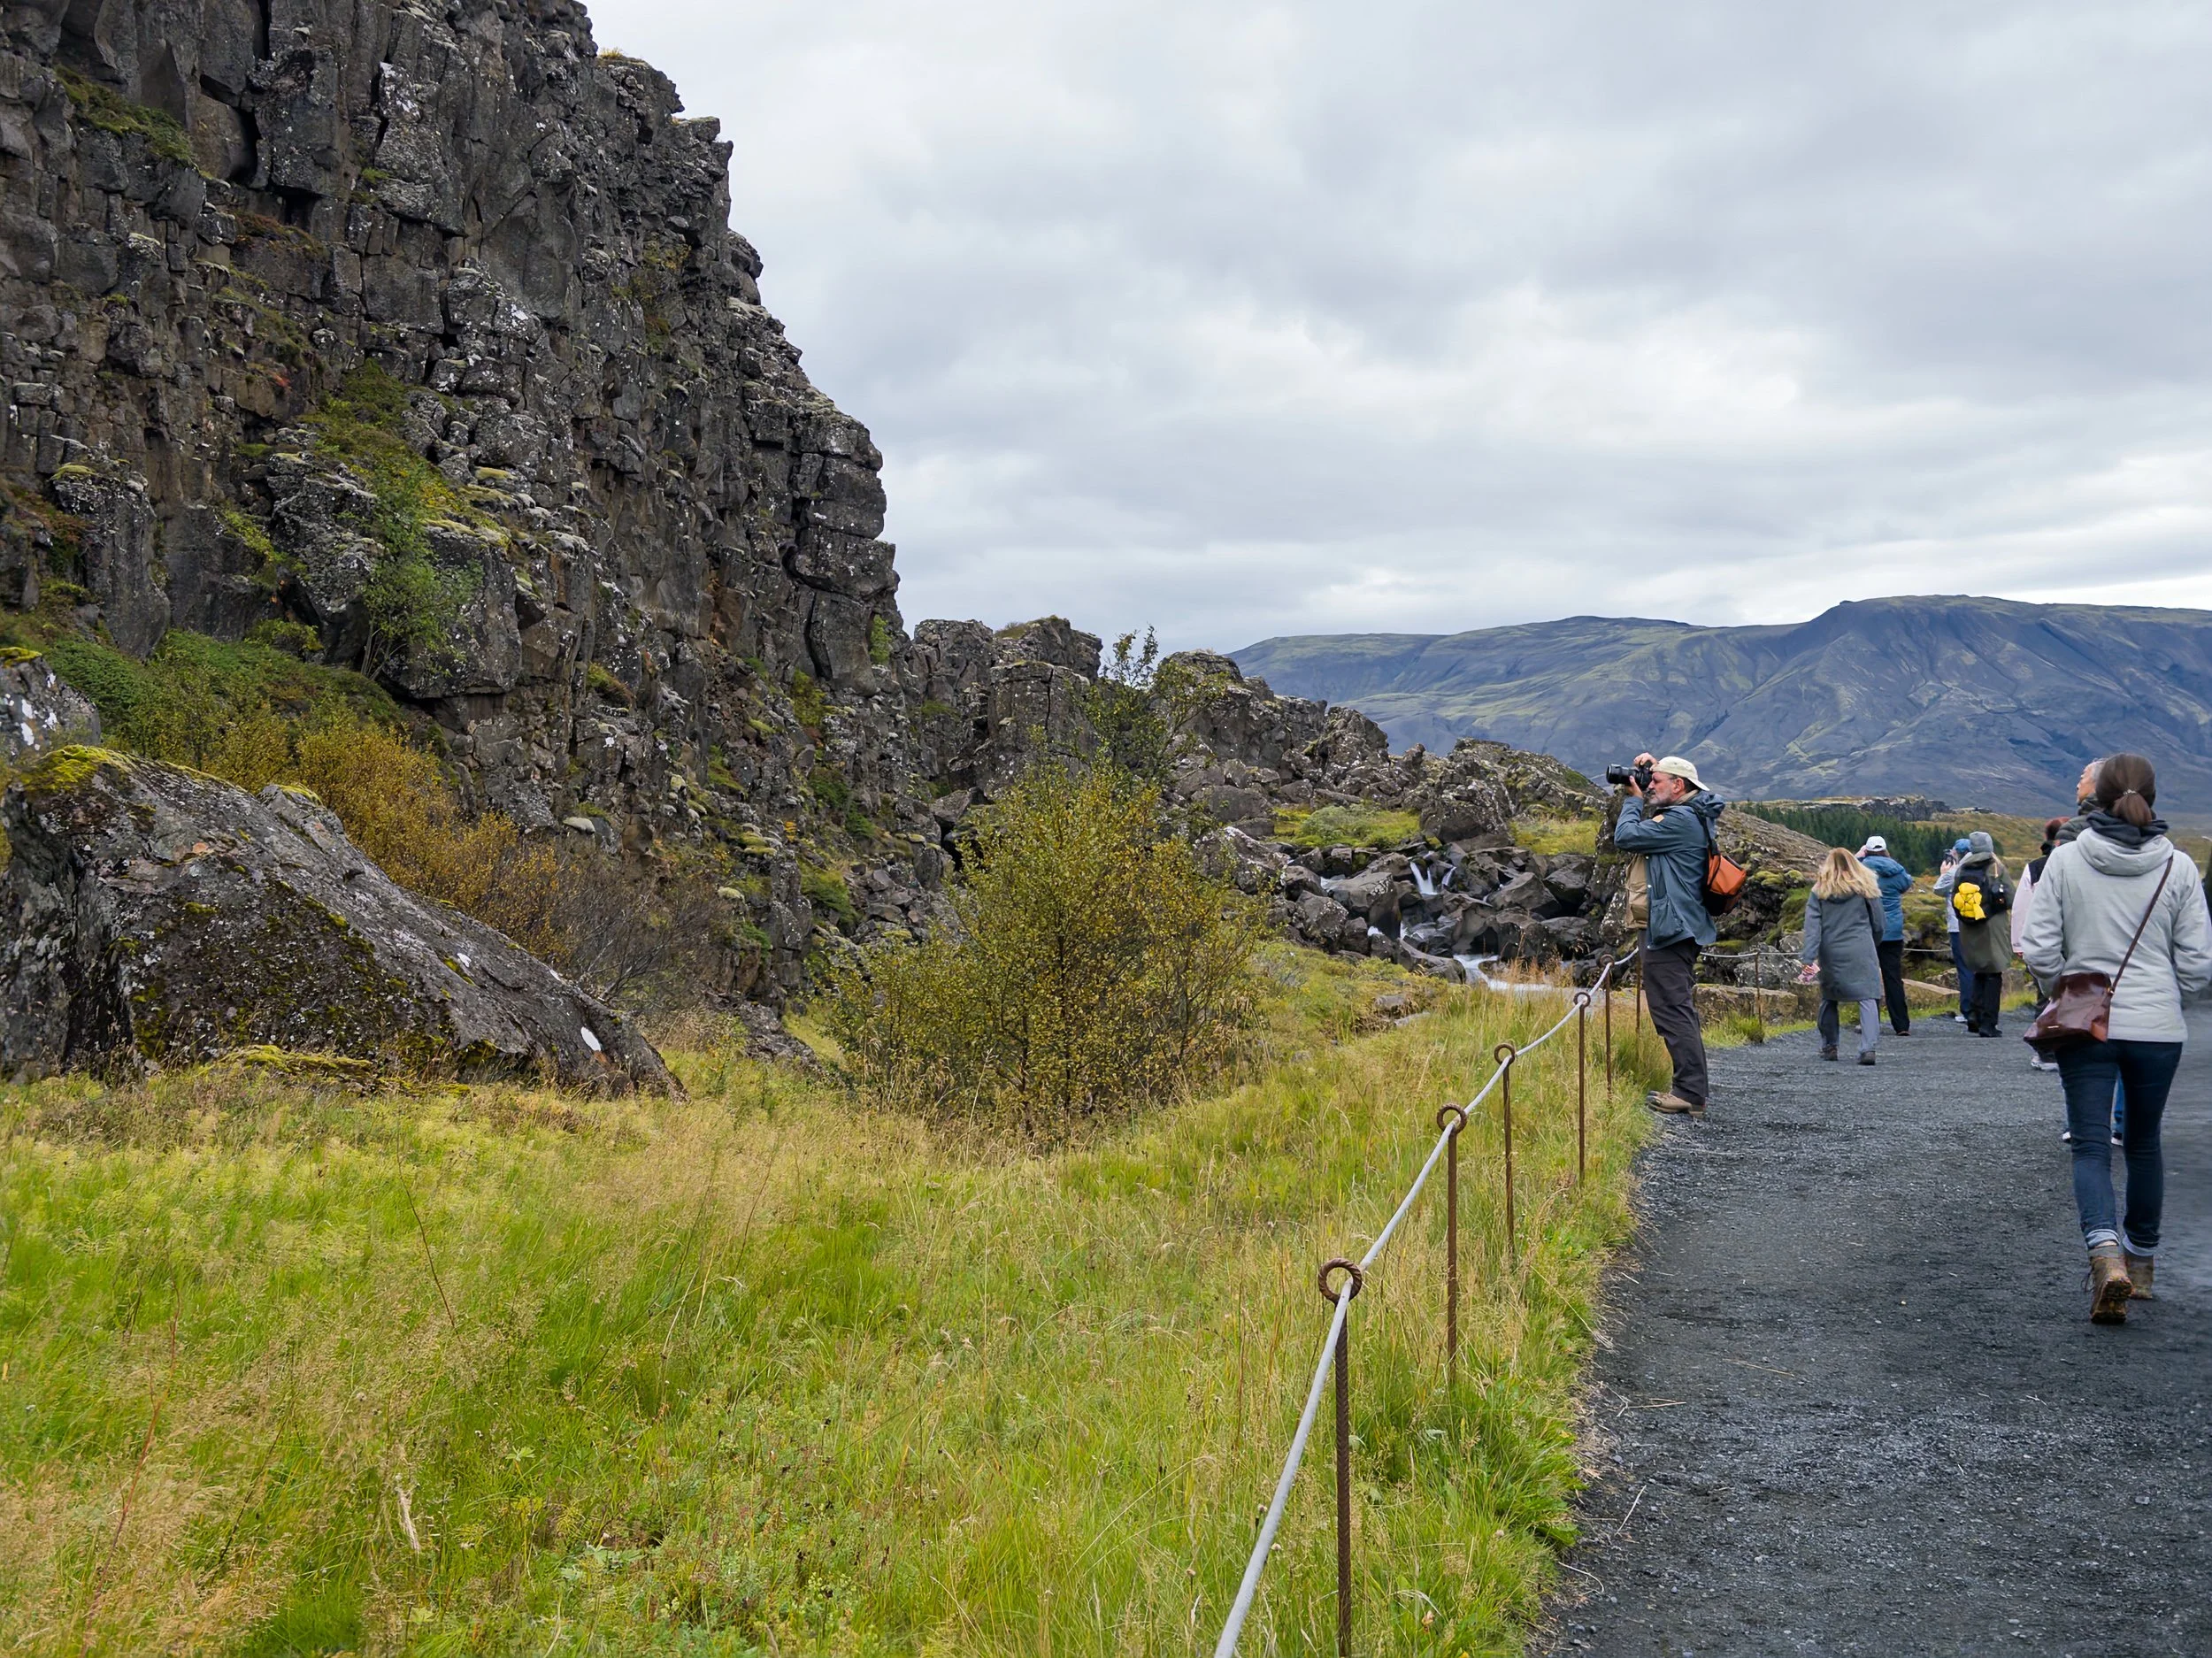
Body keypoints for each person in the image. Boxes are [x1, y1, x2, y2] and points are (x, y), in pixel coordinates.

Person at [2020, 753, 2212, 1323]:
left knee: (2089, 1145)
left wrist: (2067, 986)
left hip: (2087, 1026)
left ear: (2096, 799)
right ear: (2152, 797)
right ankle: (2143, 1262)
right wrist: (2163, 987)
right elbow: (2199, 966)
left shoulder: (2067, 860)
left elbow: (2038, 945)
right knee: (2145, 1143)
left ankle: (2106, 1256)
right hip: (2157, 1030)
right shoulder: (2178, 867)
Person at [1613, 752, 1726, 1117]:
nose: (1648, 788)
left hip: (1670, 927)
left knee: (1672, 1011)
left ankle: (1689, 1093)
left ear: (1679, 786)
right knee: (1678, 1009)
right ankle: (1691, 1089)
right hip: (1679, 924)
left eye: (1655, 782)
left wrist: (1632, 802)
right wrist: (1658, 764)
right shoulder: (1693, 813)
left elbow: (1626, 836)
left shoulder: (1681, 820)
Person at [1800, 849, 1886, 1064]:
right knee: (1868, 997)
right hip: (1862, 948)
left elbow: (1812, 929)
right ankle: (1868, 1049)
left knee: (1829, 998)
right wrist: (1873, 942)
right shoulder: (1866, 889)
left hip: (1831, 951)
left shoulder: (1819, 892)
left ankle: (1830, 1046)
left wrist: (1808, 958)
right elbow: (1879, 923)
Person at [1948, 831, 2012, 1036]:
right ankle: (1989, 1024)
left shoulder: (1961, 869)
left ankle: (1973, 1016)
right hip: (1992, 926)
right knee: (1994, 973)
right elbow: (2010, 896)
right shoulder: (1996, 867)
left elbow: (1954, 898)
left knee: (1978, 971)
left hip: (1968, 926)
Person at [2017, 818, 2064, 1075]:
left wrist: (2020, 943)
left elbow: (2023, 907)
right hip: (2077, 944)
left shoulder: (2036, 868)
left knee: (2045, 996)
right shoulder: (2083, 864)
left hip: (2044, 941)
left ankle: (2047, 1052)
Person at [1857, 834, 1916, 1034]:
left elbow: (1845, 879)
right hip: (1893, 931)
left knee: (1868, 977)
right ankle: (1901, 1025)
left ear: (1868, 850)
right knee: (1893, 977)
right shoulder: (1896, 869)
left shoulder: (1860, 868)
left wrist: (1858, 857)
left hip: (1868, 930)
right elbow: (1907, 884)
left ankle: (1869, 1022)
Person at [1935, 839, 1975, 1020]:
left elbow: (1938, 889)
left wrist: (1944, 872)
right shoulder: (1980, 867)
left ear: (1957, 853)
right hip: (1978, 923)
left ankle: (1968, 1010)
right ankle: (1983, 1008)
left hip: (1957, 925)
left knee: (1964, 968)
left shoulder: (1954, 872)